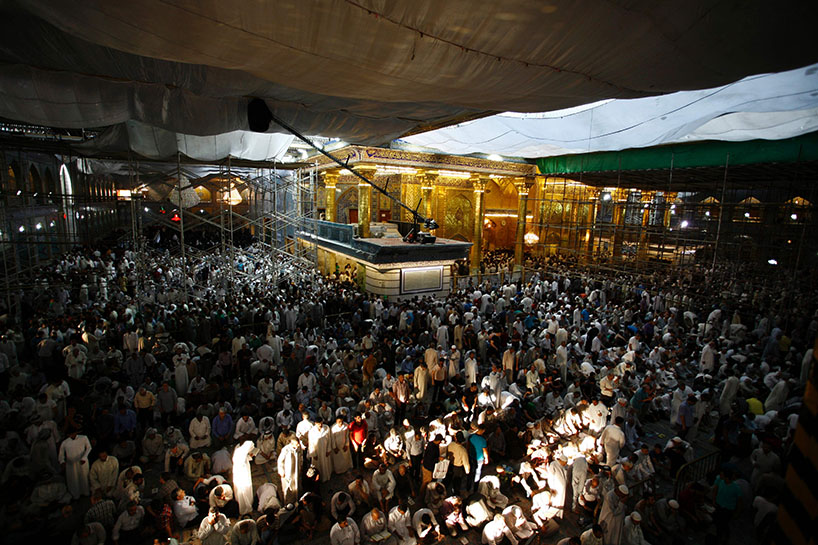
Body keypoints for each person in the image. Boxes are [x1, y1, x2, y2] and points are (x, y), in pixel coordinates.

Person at [59, 427, 92, 499]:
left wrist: (84, 457)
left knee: (84, 477)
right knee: (73, 480)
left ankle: (86, 493)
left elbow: (89, 447)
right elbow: (61, 454)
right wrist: (62, 462)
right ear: (68, 435)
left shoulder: (83, 438)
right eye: (70, 434)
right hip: (71, 464)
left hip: (82, 462)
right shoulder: (65, 442)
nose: (72, 435)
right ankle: (75, 495)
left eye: (74, 433)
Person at [232, 440, 256, 515]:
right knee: (244, 492)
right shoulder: (241, 454)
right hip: (242, 476)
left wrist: (249, 456)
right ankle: (245, 507)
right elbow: (243, 462)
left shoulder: (239, 451)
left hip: (240, 474)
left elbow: (245, 458)